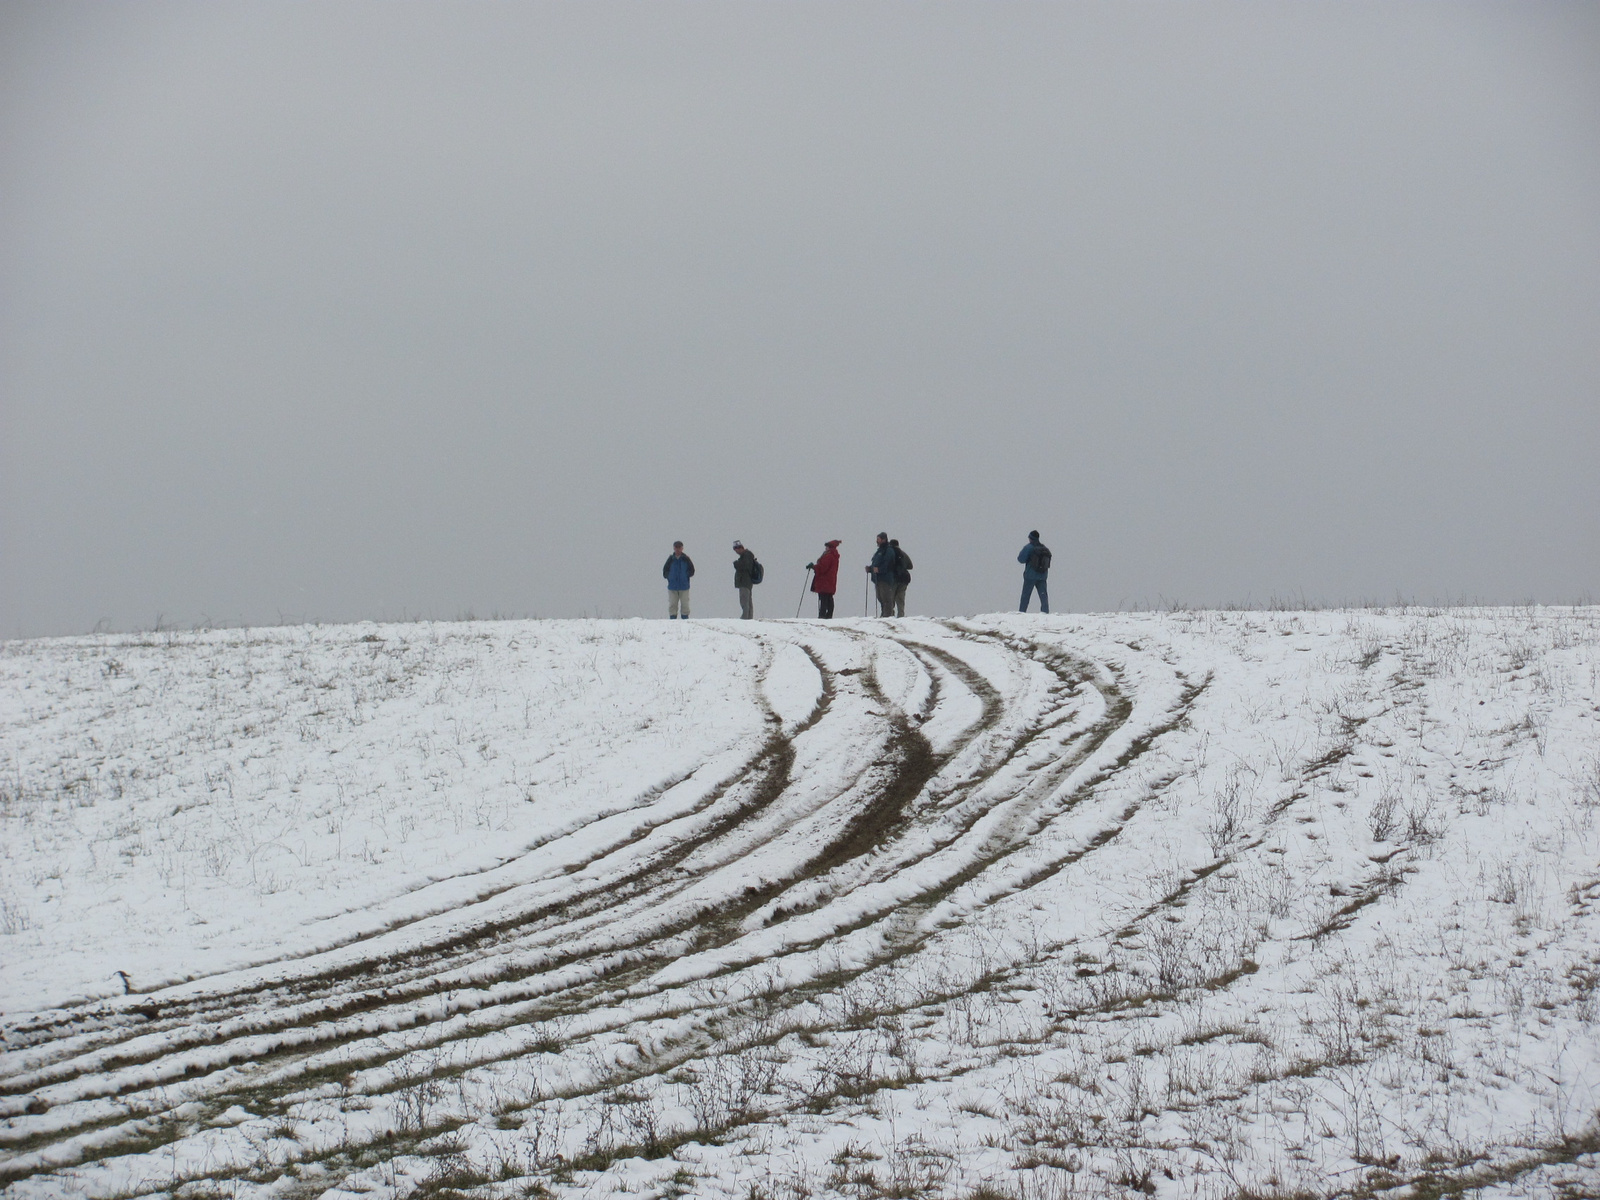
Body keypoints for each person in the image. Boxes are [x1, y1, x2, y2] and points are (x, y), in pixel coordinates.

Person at [808, 539, 841, 618]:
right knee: (829, 598)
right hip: (830, 581)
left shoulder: (828, 556)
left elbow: (822, 568)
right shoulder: (834, 556)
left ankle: (822, 617)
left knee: (823, 600)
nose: (825, 548)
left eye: (826, 547)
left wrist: (813, 567)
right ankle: (828, 616)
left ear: (829, 547)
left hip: (824, 582)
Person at [1019, 530, 1051, 613]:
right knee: (1043, 595)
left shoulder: (1028, 547)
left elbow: (1020, 559)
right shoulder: (1044, 548)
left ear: (1030, 538)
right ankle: (1045, 612)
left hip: (1030, 575)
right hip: (1042, 575)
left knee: (1026, 596)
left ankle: (1022, 612)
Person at [867, 532, 898, 617]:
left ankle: (887, 615)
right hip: (878, 578)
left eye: (878, 539)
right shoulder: (880, 551)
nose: (877, 541)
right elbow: (876, 563)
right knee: (880, 598)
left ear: (883, 539)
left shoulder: (888, 550)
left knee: (886, 598)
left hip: (885, 578)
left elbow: (888, 563)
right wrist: (870, 569)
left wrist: (879, 570)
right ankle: (884, 614)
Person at [662, 541, 694, 618]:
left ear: (682, 548)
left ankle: (685, 621)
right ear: (674, 548)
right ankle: (673, 621)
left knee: (685, 605)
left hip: (684, 586)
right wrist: (669, 577)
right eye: (676, 547)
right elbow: (665, 571)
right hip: (673, 587)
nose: (678, 549)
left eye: (679, 547)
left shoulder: (686, 559)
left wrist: (685, 577)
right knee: (672, 604)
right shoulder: (670, 559)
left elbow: (692, 570)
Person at [733, 540, 757, 619]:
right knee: (748, 601)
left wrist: (736, 564)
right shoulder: (747, 556)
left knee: (744, 601)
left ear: (740, 548)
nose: (736, 551)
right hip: (747, 582)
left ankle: (745, 618)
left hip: (744, 582)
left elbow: (744, 566)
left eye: (736, 549)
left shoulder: (746, 556)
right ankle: (749, 618)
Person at [889, 538, 913, 617]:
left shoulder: (890, 553)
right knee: (900, 599)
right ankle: (901, 616)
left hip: (894, 579)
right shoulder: (903, 554)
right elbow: (910, 566)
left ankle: (890, 616)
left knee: (891, 598)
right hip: (904, 579)